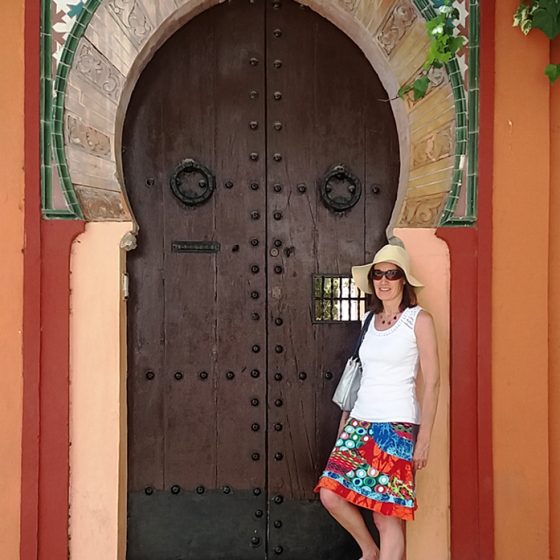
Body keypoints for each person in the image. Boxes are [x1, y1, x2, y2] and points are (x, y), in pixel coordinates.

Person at [314, 243, 440, 560]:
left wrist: (423, 439)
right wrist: (345, 425)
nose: (384, 281)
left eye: (392, 274)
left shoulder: (419, 320)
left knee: (386, 515)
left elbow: (434, 381)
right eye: (378, 275)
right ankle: (369, 551)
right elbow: (361, 376)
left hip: (396, 426)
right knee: (330, 493)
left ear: (404, 280)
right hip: (360, 421)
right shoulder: (368, 320)